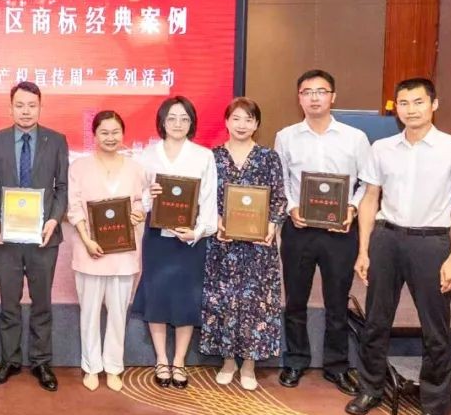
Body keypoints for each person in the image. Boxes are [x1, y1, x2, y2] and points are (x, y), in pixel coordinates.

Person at [347, 78, 451, 415]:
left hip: (431, 243)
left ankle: (434, 406)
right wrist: (364, 249)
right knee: (376, 320)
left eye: (419, 102)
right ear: (396, 108)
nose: (411, 109)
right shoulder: (382, 148)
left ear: (434, 104)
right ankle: (371, 388)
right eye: (404, 103)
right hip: (386, 239)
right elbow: (370, 198)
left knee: (434, 329)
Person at [274, 70, 371, 394]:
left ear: (333, 96)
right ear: (299, 98)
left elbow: (366, 182)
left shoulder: (355, 138)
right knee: (295, 299)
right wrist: (291, 207)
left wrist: (352, 207)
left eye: (321, 91)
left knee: (337, 301)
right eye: (307, 92)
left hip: (339, 231)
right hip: (299, 229)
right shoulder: (286, 136)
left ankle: (336, 365)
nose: (314, 97)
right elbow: (281, 180)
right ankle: (296, 359)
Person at [0, 81, 69, 392]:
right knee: (9, 303)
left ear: (40, 107)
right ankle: (10, 360)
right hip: (6, 239)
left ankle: (41, 362)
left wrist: (54, 220)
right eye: (20, 105)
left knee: (42, 303)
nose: (26, 111)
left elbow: (62, 187)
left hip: (44, 238)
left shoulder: (56, 140)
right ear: (10, 108)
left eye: (32, 105)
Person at [132, 96, 217, 390]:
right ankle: (161, 358)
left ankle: (179, 360)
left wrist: (198, 231)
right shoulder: (146, 155)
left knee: (185, 297)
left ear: (191, 123)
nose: (178, 124)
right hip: (157, 238)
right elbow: (138, 199)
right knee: (155, 293)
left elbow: (209, 199)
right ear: (162, 122)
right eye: (172, 118)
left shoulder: (204, 156)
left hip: (189, 240)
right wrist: (149, 196)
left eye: (184, 118)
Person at [202, 97, 287, 390]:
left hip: (258, 246)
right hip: (222, 243)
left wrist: (272, 226)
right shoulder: (212, 157)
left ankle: (249, 364)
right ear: (226, 122)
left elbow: (279, 198)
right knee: (223, 299)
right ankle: (228, 361)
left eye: (248, 119)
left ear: (257, 124)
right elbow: (204, 198)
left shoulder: (268, 157)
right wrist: (217, 221)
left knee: (254, 303)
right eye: (236, 118)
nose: (242, 125)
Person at [67, 110, 146, 392]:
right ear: (94, 135)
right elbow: (74, 208)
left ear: (122, 134)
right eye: (104, 132)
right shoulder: (79, 167)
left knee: (118, 314)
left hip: (124, 254)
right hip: (91, 250)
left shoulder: (136, 168)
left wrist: (139, 213)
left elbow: (142, 201)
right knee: (89, 314)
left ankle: (113, 367)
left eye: (115, 132)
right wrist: (87, 241)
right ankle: (91, 366)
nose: (110, 138)